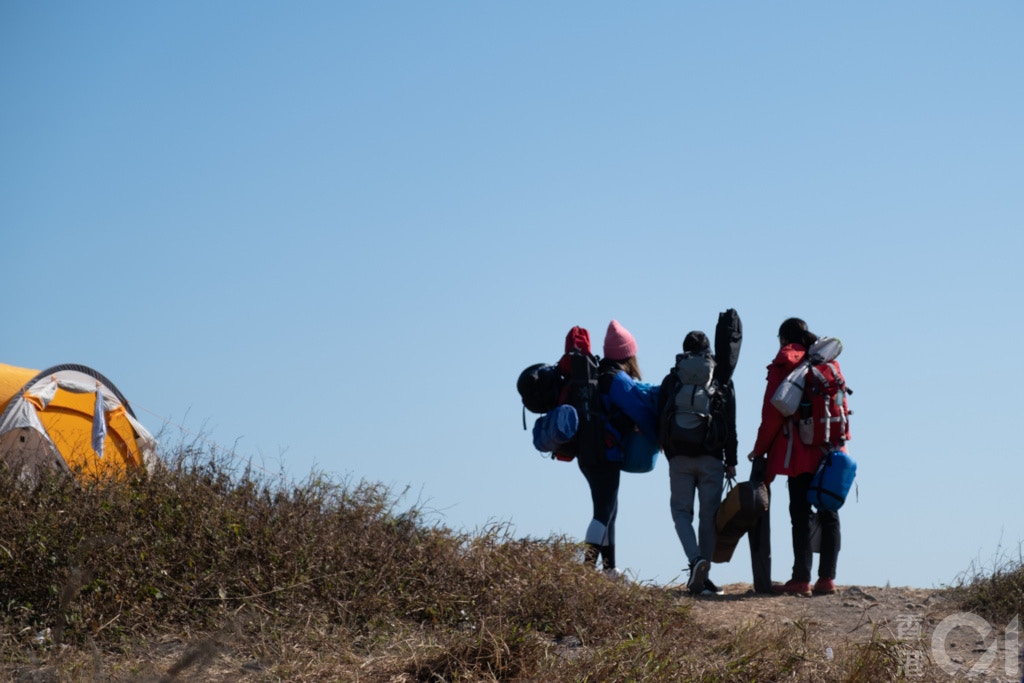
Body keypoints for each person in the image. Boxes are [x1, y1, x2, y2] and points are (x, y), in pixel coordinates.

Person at [747, 317, 841, 596]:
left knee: (799, 514)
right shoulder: (827, 363)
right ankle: (828, 579)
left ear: (783, 338)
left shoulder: (785, 361)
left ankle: (801, 578)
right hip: (829, 450)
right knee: (829, 512)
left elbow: (772, 413)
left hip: (798, 452)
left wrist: (759, 449)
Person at [574, 319, 660, 576]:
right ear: (628, 354)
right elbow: (641, 413)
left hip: (587, 452)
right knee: (603, 511)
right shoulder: (617, 380)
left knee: (609, 508)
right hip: (606, 454)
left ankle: (609, 569)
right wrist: (659, 438)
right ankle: (587, 572)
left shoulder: (598, 375)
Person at [658, 331, 738, 596]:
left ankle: (696, 562)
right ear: (708, 351)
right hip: (711, 457)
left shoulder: (673, 379)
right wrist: (731, 461)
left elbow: (660, 417)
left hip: (679, 457)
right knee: (708, 516)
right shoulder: (721, 378)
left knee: (681, 513)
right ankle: (703, 575)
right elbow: (730, 422)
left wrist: (669, 451)